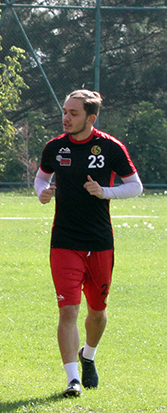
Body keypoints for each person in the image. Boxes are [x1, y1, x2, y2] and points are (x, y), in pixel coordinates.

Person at [35, 90, 141, 396]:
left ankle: (89, 356)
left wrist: (105, 192)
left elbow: (135, 187)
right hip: (64, 241)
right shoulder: (55, 147)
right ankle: (72, 380)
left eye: (74, 113)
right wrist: (41, 191)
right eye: (65, 112)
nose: (66, 118)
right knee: (68, 311)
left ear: (91, 118)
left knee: (97, 311)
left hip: (99, 241)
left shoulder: (110, 147)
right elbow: (42, 178)